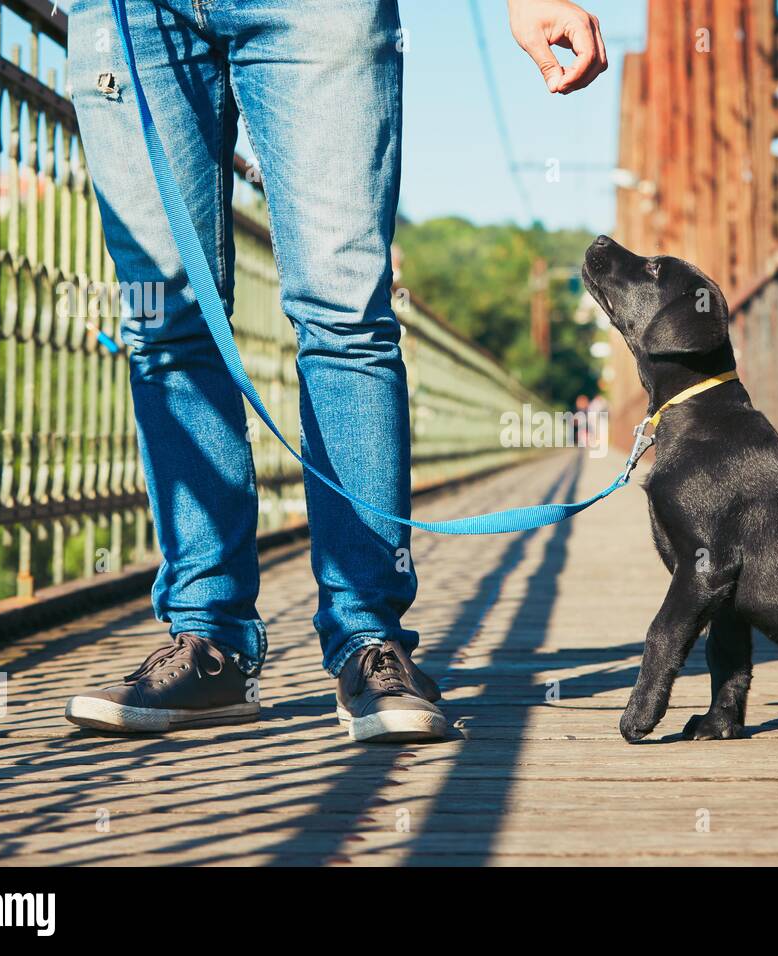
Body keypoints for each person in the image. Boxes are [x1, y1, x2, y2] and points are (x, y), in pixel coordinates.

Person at [63, 0, 607, 742]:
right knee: (165, 321)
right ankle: (208, 644)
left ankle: (366, 641)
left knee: (344, 311)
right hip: (128, 16)